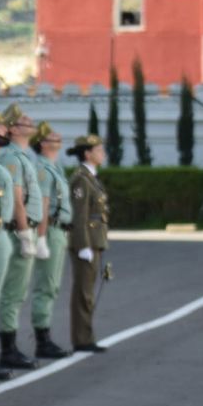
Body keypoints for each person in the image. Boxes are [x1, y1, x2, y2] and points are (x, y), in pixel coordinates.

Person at [0, 106, 44, 371]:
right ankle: (7, 348)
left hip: (25, 228)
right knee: (12, 292)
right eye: (23, 120)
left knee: (17, 291)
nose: (30, 121)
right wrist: (25, 233)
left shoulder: (23, 156)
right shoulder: (12, 158)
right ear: (12, 129)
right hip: (17, 230)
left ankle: (9, 345)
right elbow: (17, 200)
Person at [29, 122, 73, 359]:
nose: (58, 137)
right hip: (51, 229)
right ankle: (42, 338)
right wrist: (42, 237)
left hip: (59, 230)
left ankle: (44, 334)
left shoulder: (54, 167)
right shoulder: (44, 169)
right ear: (42, 143)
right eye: (51, 136)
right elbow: (43, 205)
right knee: (46, 285)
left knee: (52, 285)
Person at [67, 134, 109, 352]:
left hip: (95, 241)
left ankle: (86, 336)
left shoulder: (91, 178)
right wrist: (83, 246)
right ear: (87, 153)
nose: (102, 153)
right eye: (98, 150)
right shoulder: (81, 180)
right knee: (84, 293)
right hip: (87, 243)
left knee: (88, 292)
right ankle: (82, 339)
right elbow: (79, 216)